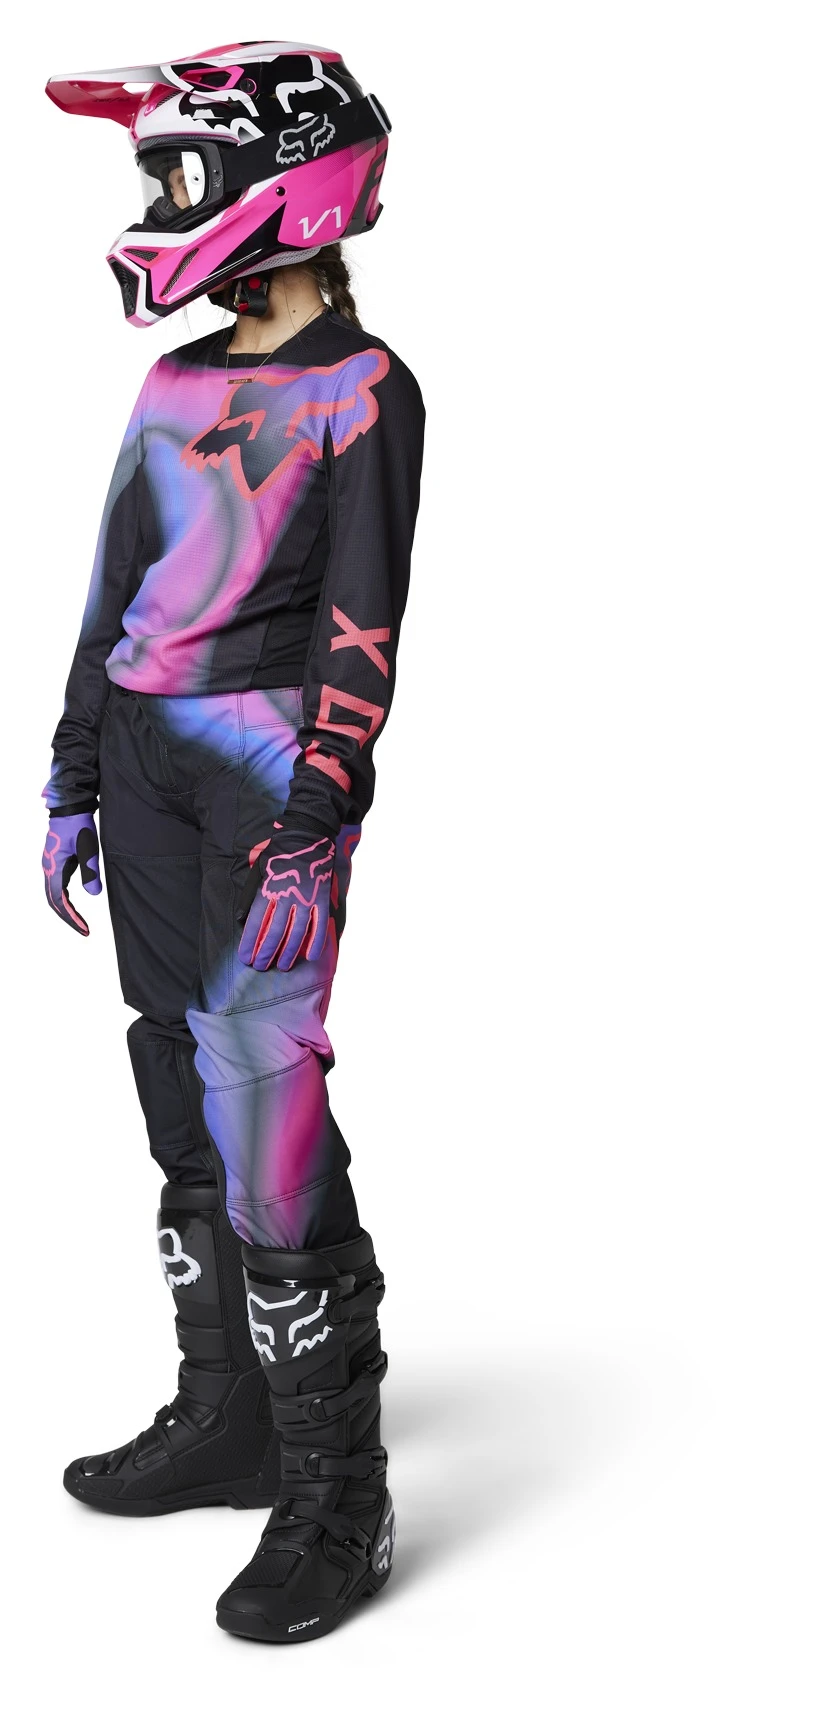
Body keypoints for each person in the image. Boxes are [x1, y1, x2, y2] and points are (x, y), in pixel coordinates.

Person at [42, 41, 424, 1644]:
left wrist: (321, 806)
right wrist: (73, 765)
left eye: (179, 174)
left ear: (289, 183)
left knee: (262, 1095)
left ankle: (341, 1491)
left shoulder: (363, 390)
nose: (159, 203)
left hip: (266, 769)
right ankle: (232, 1415)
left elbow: (362, 620)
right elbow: (116, 581)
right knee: (171, 1072)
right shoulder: (172, 384)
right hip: (146, 759)